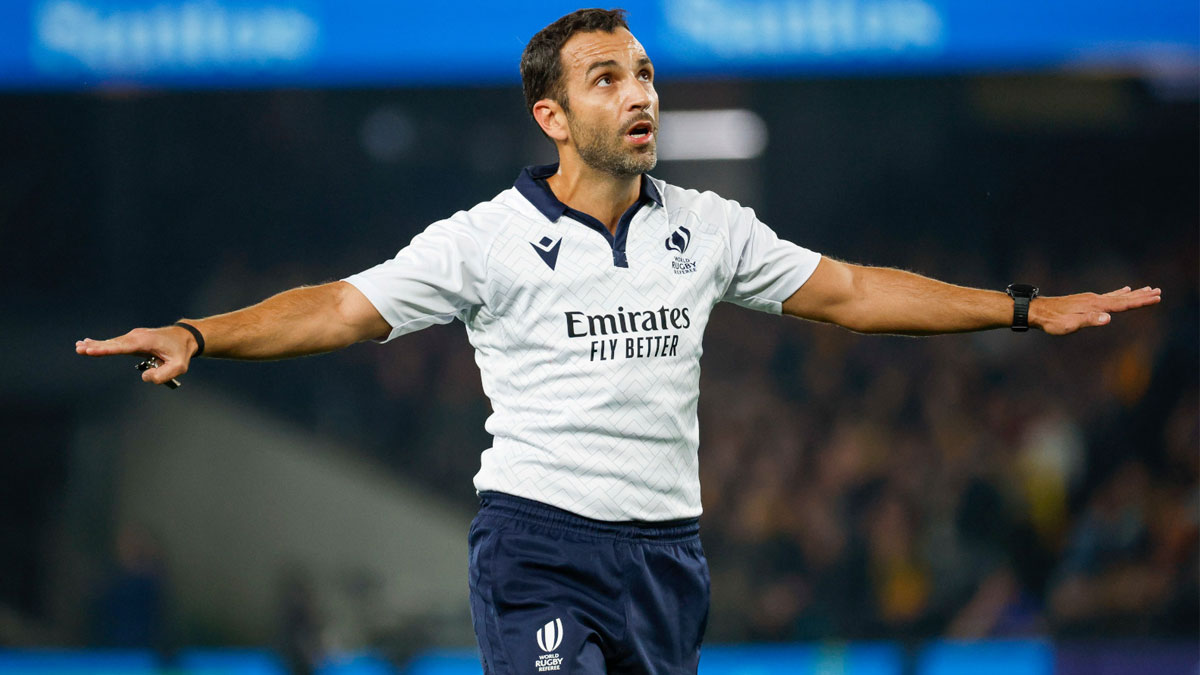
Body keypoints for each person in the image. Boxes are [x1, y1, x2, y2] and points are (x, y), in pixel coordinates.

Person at [76, 8, 1161, 673]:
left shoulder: (710, 228)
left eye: (644, 73)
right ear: (551, 116)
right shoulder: (484, 241)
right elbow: (336, 309)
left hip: (668, 559)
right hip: (540, 546)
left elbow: (857, 293)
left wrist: (1024, 309)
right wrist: (199, 333)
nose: (640, 93)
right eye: (608, 78)